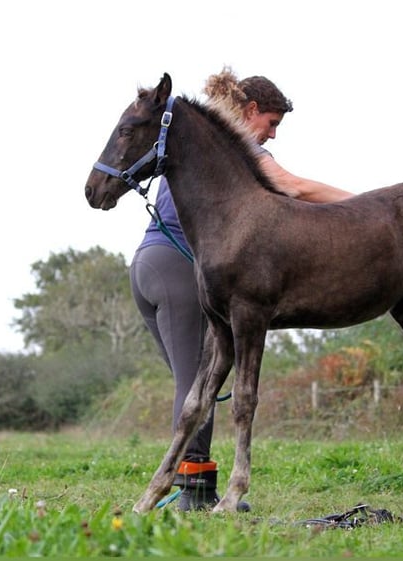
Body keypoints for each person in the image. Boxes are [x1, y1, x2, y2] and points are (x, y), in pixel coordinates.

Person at [129, 67, 353, 511]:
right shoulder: (237, 153)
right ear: (249, 112)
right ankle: (192, 493)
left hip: (148, 265)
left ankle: (189, 488)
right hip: (177, 267)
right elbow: (293, 187)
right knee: (197, 380)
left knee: (193, 378)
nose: (270, 136)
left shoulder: (201, 152)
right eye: (270, 124)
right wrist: (367, 207)